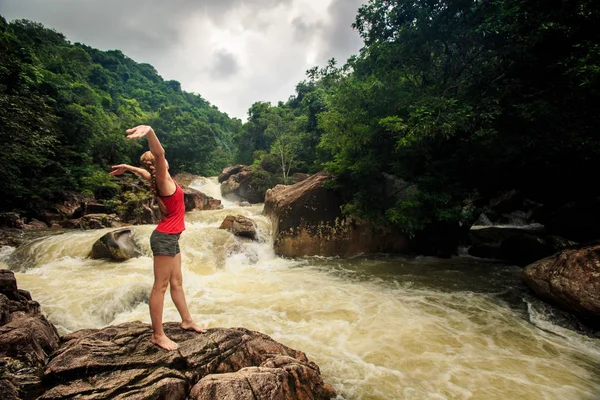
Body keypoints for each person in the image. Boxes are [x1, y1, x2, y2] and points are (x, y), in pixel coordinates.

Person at [110, 125, 205, 351]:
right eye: (160, 160)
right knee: (159, 287)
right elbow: (160, 154)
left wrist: (128, 167)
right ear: (157, 163)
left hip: (171, 238)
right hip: (164, 237)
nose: (164, 160)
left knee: (177, 282)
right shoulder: (162, 179)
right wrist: (150, 132)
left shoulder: (159, 178)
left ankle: (187, 320)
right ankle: (158, 335)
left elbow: (145, 172)